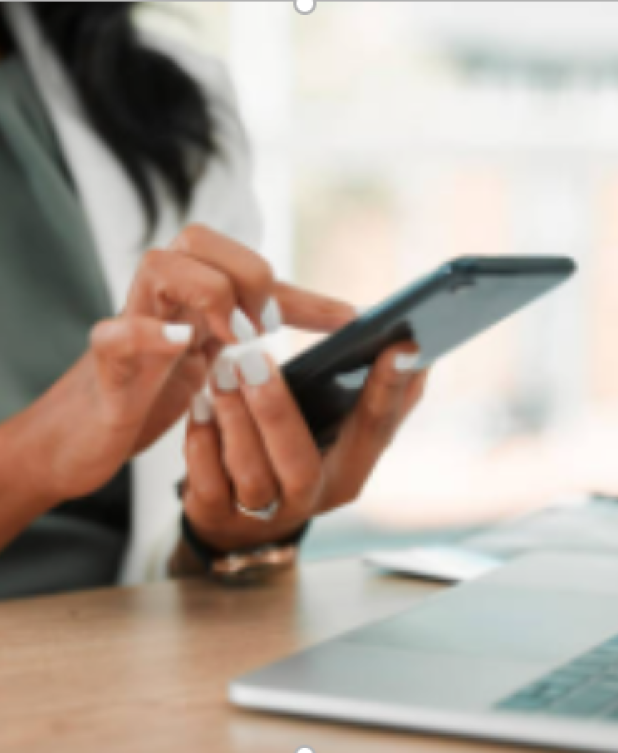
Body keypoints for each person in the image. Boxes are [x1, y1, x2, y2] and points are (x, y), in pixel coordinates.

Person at [0, 3, 426, 598]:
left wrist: (232, 535)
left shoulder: (172, 103)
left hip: (106, 664)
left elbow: (164, 583)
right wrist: (34, 456)